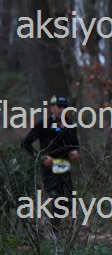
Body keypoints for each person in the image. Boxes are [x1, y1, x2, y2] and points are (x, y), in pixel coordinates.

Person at [22, 94, 79, 228]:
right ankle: (54, 230)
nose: (62, 110)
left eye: (65, 107)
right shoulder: (43, 125)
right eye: (59, 106)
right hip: (48, 167)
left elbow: (75, 144)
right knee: (57, 197)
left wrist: (75, 152)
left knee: (69, 200)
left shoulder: (71, 124)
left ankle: (62, 228)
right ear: (52, 107)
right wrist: (40, 158)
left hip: (64, 165)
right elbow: (25, 144)